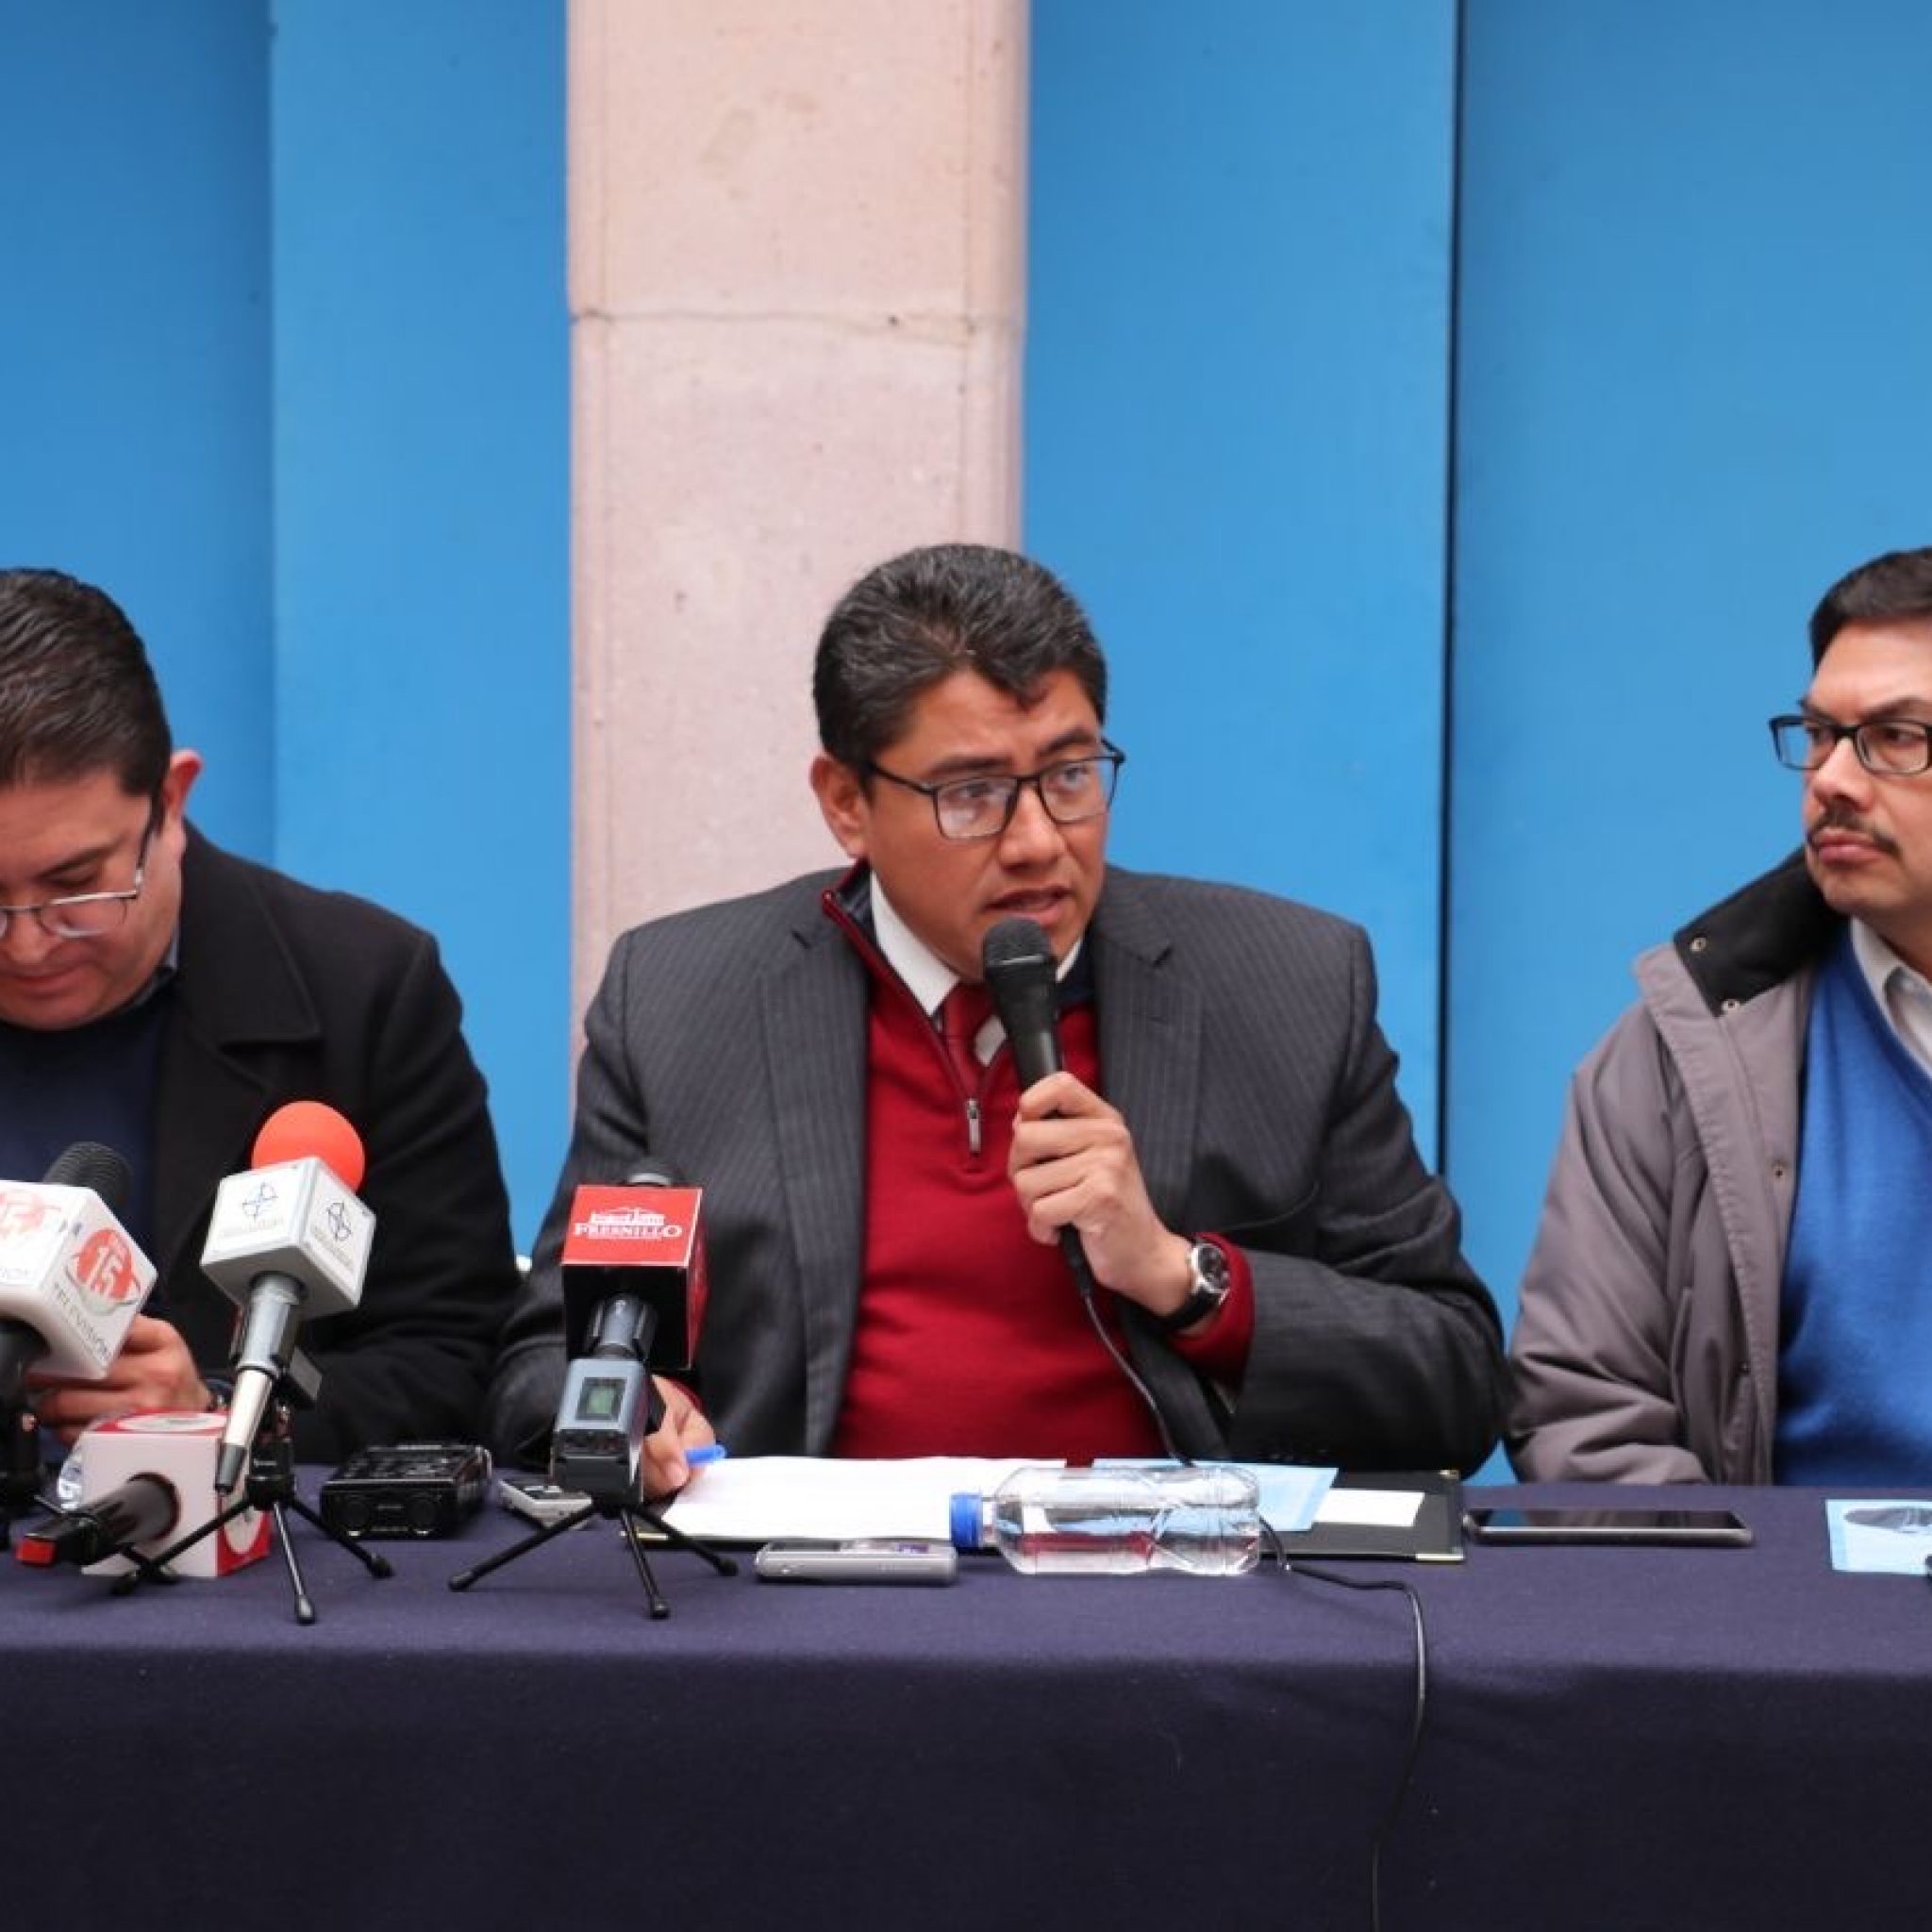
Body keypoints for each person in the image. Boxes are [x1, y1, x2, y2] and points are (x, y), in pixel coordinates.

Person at [489, 542, 1503, 1489]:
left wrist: (1183, 1276)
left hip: (1178, 1590)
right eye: (972, 793)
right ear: (845, 802)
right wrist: (632, 1408)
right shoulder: (680, 999)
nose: (1036, 841)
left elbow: (1457, 1378)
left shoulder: (1286, 985)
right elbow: (541, 1364)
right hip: (803, 1593)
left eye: (1069, 776)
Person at [0, 567, 522, 1457]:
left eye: (77, 886)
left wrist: (222, 1410)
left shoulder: (362, 990)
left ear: (171, 802)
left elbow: (453, 1359)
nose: (27, 943)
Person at [1511, 543, 1932, 1484]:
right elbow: (1584, 1415)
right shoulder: (1675, 1055)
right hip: (1781, 1580)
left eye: (1895, 736)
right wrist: (1760, 1581)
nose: (1830, 777)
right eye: (1819, 733)